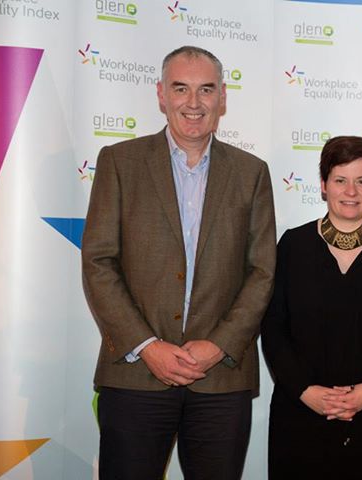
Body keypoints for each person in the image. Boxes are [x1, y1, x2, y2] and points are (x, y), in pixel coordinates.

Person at [81, 45, 276, 479]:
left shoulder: (252, 173)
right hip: (135, 376)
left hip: (221, 379)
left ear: (222, 97)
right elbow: (98, 261)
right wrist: (148, 346)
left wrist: (218, 345)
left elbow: (262, 273)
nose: (193, 102)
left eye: (206, 90)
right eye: (181, 88)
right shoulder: (119, 163)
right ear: (161, 95)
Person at [261, 136, 362, 479]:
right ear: (323, 185)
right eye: (340, 180)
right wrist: (305, 391)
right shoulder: (293, 244)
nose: (351, 191)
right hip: (302, 414)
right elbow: (273, 329)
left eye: (361, 181)